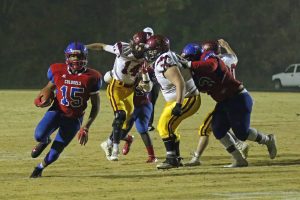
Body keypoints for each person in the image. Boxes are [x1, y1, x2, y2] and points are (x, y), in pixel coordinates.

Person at [181, 43, 277, 168]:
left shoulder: (208, 56)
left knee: (241, 134)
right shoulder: (194, 73)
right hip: (223, 102)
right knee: (218, 130)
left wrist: (189, 65)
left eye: (188, 58)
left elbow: (211, 66)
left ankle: (267, 139)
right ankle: (239, 160)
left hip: (238, 97)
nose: (186, 61)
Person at [30, 42, 102, 178]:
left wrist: (86, 127)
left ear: (85, 57)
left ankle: (39, 168)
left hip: (74, 118)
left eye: (78, 56)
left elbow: (96, 106)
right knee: (39, 135)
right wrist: (42, 97)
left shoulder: (93, 77)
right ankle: (45, 141)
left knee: (56, 152)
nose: (75, 59)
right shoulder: (56, 70)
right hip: (57, 111)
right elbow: (49, 87)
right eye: (72, 56)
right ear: (67, 57)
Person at [183, 40, 249, 166]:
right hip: (234, 95)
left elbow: (206, 75)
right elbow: (234, 57)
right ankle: (242, 143)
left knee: (206, 128)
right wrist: (227, 46)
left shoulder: (210, 63)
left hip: (228, 97)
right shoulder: (226, 59)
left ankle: (196, 158)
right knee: (221, 126)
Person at [86, 31, 148, 161]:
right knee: (120, 115)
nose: (140, 49)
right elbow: (102, 46)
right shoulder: (122, 48)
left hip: (130, 90)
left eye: (143, 47)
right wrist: (85, 47)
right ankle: (115, 148)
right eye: (138, 46)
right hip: (116, 88)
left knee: (128, 121)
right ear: (133, 44)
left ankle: (108, 143)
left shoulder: (147, 55)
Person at [143, 35, 201, 169]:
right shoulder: (166, 57)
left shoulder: (165, 60)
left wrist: (179, 104)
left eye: (151, 50)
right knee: (170, 128)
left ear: (159, 49)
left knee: (163, 126)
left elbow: (180, 83)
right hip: (180, 98)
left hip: (186, 99)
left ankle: (171, 159)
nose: (149, 53)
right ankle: (176, 158)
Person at [103, 63, 158, 163]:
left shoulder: (148, 77)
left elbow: (150, 91)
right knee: (122, 129)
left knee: (142, 128)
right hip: (131, 105)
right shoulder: (131, 72)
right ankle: (126, 140)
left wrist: (145, 78)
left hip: (143, 105)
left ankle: (152, 156)